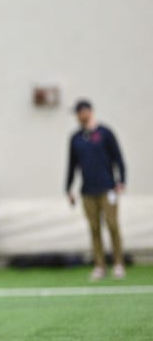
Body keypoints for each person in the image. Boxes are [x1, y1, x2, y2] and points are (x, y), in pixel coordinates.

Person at [66, 99, 126, 280]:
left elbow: (118, 157)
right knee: (94, 228)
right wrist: (68, 188)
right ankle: (99, 265)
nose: (79, 116)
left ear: (88, 112)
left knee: (112, 225)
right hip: (87, 191)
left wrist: (121, 180)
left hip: (107, 188)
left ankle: (118, 263)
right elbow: (72, 165)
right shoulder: (76, 138)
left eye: (80, 112)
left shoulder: (105, 133)